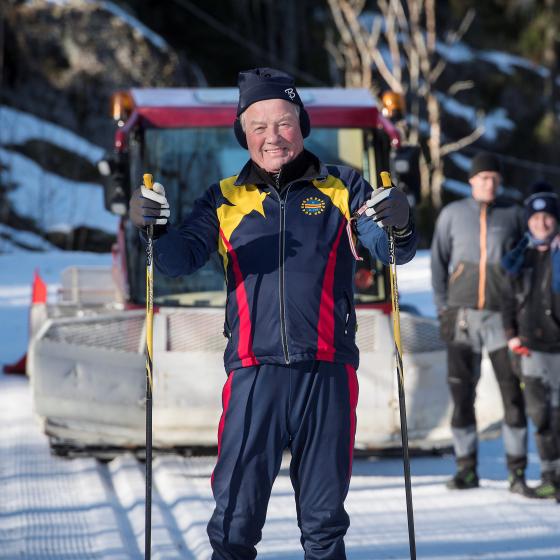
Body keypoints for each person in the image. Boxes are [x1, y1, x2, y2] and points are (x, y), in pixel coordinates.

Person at [129, 67, 417, 560]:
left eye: (283, 123)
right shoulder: (222, 197)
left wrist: (400, 223)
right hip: (254, 374)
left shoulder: (344, 186)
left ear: (302, 126)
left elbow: (389, 248)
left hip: (326, 373)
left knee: (325, 524)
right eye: (258, 126)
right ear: (243, 134)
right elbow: (178, 260)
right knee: (235, 520)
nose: (272, 137)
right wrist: (151, 228)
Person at [431, 152, 531, 495]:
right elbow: (439, 263)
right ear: (472, 181)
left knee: (512, 396)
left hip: (503, 319)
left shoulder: (513, 215)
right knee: (462, 395)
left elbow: (525, 264)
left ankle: (517, 473)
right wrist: (443, 308)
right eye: (483, 177)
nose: (489, 183)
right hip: (461, 317)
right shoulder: (452, 214)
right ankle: (466, 469)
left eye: (494, 178)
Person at [501, 183, 560, 500]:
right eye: (536, 218)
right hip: (531, 349)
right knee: (542, 419)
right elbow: (507, 302)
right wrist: (511, 337)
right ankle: (551, 476)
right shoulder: (519, 256)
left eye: (547, 217)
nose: (541, 223)